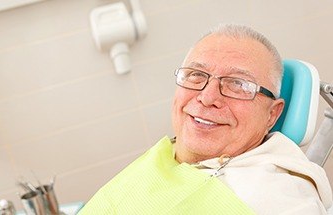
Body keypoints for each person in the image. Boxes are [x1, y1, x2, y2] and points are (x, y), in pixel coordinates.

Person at [79, 24, 333, 214]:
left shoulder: (279, 201)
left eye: (237, 84)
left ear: (272, 114)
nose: (207, 97)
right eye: (196, 75)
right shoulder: (170, 153)